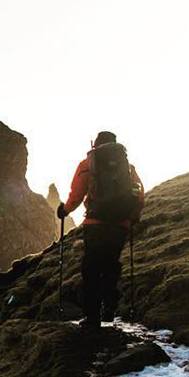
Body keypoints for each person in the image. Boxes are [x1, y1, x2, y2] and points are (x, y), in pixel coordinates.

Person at [57, 131, 145, 328]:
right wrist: (131, 218)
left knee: (92, 269)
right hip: (120, 226)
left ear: (96, 145)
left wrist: (64, 210)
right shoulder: (128, 168)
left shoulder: (88, 164)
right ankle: (109, 309)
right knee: (111, 265)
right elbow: (139, 194)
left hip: (95, 225)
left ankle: (92, 316)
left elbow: (77, 194)